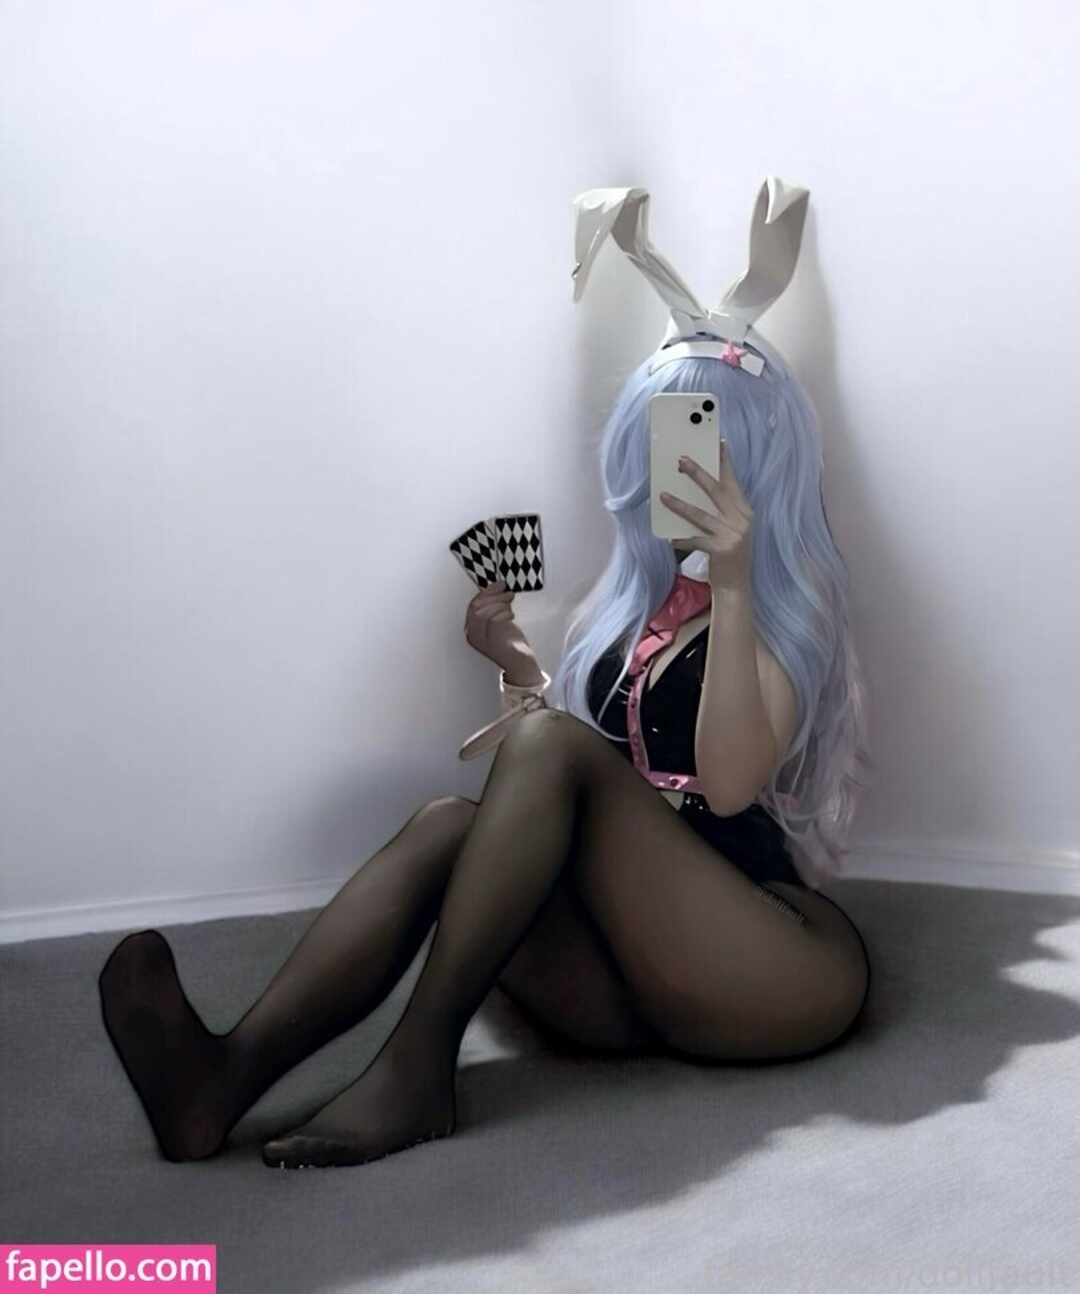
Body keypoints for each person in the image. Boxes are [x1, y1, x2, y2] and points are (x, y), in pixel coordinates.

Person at [97, 179, 875, 1171]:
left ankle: (416, 1068)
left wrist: (731, 580)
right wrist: (516, 669)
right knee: (446, 824)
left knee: (551, 747)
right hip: (635, 967)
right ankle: (221, 1078)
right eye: (661, 438)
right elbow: (573, 789)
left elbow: (724, 785)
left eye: (702, 439)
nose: (674, 465)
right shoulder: (631, 613)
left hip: (769, 964)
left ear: (759, 457)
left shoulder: (785, 613)